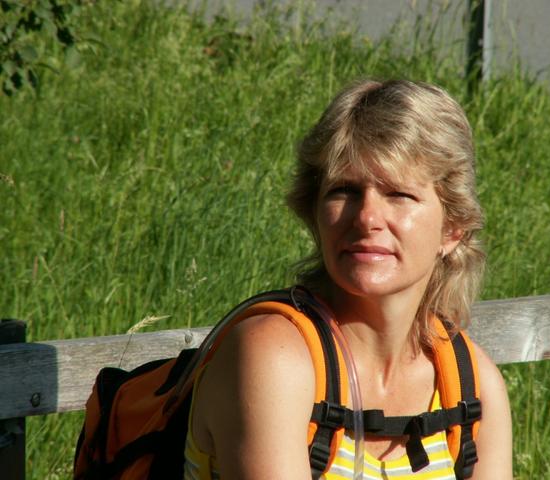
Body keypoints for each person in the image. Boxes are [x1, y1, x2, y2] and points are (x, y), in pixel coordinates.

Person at [184, 79, 512, 479]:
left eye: (399, 194)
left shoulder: (471, 388)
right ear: (314, 213)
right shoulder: (274, 357)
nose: (367, 217)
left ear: (453, 228)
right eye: (344, 190)